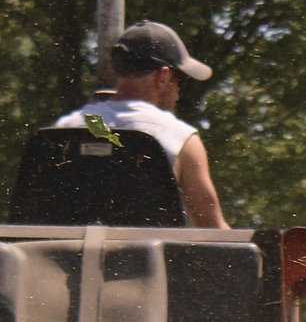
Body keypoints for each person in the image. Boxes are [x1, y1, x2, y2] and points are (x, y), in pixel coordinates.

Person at [51, 21, 227, 228]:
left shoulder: (64, 129)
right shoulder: (182, 139)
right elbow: (212, 229)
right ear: (163, 77)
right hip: (149, 260)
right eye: (179, 78)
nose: (179, 89)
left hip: (65, 259)